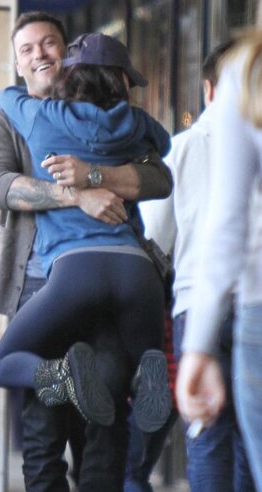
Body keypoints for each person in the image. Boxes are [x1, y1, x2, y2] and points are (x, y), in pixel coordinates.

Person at [0, 12, 173, 492]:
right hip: (40, 283)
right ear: (18, 63)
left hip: (88, 284)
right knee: (44, 435)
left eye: (49, 43)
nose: (39, 54)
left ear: (68, 55)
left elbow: (159, 178)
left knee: (104, 424)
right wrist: (76, 194)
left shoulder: (61, 114)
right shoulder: (6, 120)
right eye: (27, 49)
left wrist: (95, 174)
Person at [140, 41, 256, 491]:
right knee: (251, 440)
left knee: (208, 434)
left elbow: (155, 238)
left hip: (196, 304)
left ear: (208, 90)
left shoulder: (181, 148)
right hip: (254, 305)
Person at [176, 17, 262, 491]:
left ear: (206, 90)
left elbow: (230, 223)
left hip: (241, 301)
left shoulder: (248, 72)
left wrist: (197, 347)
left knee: (212, 442)